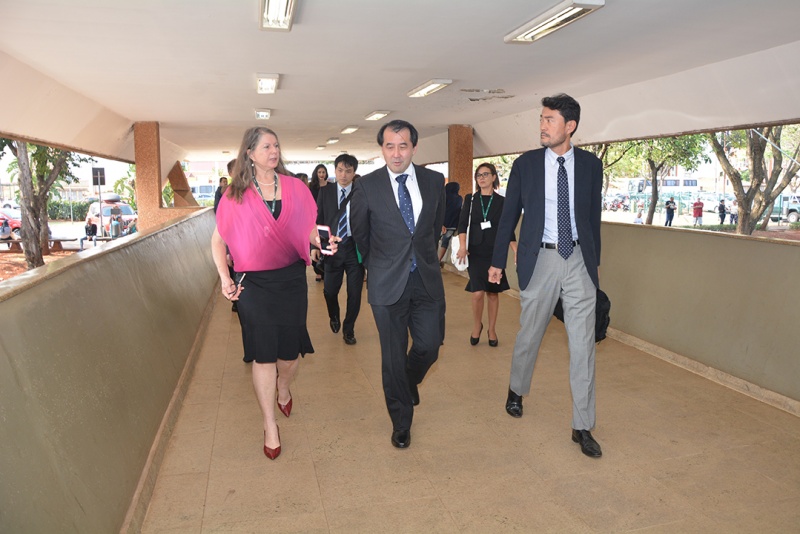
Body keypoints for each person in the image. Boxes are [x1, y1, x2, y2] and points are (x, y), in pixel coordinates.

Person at [490, 94, 604, 458]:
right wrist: (496, 261)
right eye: (541, 119)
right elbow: (509, 216)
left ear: (569, 126)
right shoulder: (526, 165)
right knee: (530, 333)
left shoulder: (590, 165)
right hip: (540, 259)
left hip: (579, 262)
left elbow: (592, 218)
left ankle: (582, 425)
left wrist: (594, 263)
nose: (542, 126)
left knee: (583, 345)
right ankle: (516, 388)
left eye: (550, 120)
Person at [212, 126, 337, 460]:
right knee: (263, 353)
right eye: (266, 146)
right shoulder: (235, 194)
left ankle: (284, 385)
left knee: (289, 356)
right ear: (249, 153)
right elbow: (219, 239)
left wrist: (321, 242)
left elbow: (308, 229)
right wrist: (225, 277)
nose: (273, 150)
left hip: (291, 279)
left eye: (276, 145)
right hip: (253, 282)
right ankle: (269, 424)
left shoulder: (296, 188)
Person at [350, 119, 446, 449]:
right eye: (389, 146)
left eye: (402, 146)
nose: (396, 153)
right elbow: (361, 234)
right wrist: (378, 265)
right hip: (386, 282)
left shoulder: (434, 182)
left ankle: (407, 381)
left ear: (414, 148)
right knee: (392, 355)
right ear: (382, 149)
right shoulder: (367, 186)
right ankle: (401, 421)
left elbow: (433, 228)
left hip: (425, 279)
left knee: (430, 345)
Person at [456, 163, 516, 347]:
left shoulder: (502, 202)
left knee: (492, 293)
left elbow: (507, 228)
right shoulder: (471, 199)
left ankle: (491, 329)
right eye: (478, 175)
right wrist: (462, 246)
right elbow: (462, 224)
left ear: (493, 177)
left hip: (494, 252)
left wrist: (515, 249)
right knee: (477, 293)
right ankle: (477, 326)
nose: (481, 178)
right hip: (475, 251)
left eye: (485, 174)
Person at [314, 154, 364, 345]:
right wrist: (316, 245)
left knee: (355, 293)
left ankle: (349, 328)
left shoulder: (361, 193)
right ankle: (333, 315)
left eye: (348, 171)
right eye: (340, 170)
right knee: (330, 290)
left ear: (354, 173)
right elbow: (318, 220)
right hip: (332, 248)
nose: (344, 175)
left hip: (354, 248)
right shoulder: (325, 192)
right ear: (334, 171)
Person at [438, 182, 462, 265]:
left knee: (434, 241)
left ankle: (431, 261)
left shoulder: (444, 197)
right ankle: (439, 260)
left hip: (441, 224)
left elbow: (440, 210)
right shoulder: (460, 198)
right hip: (453, 225)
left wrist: (441, 223)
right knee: (445, 242)